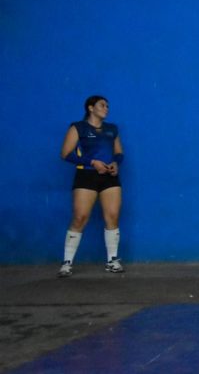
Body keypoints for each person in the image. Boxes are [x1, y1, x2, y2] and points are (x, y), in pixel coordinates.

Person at [57, 95, 126, 277]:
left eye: (108, 106)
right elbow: (65, 154)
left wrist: (115, 163)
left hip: (109, 177)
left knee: (112, 215)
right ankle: (67, 262)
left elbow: (119, 152)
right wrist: (92, 162)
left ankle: (112, 260)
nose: (106, 108)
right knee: (80, 217)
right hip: (86, 176)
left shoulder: (112, 129)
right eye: (102, 105)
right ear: (90, 107)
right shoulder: (78, 127)